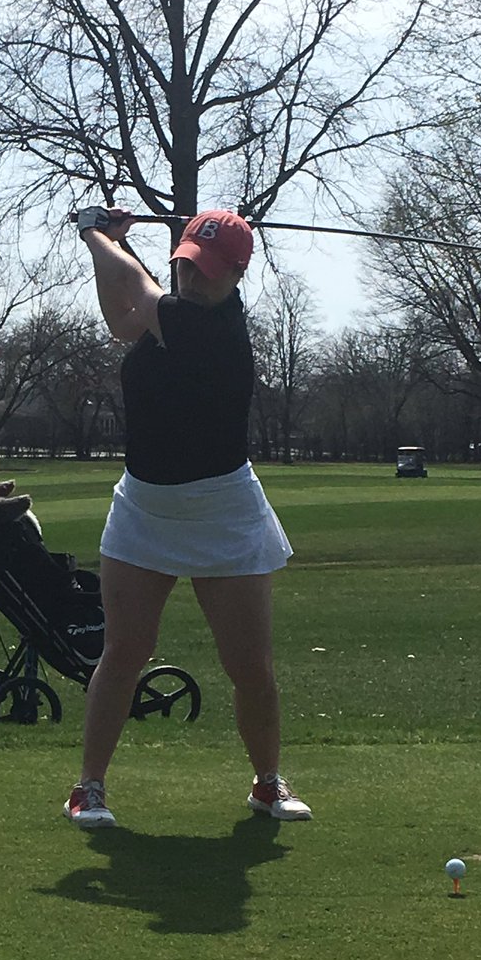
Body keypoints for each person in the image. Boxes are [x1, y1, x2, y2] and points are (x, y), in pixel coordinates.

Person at [64, 206, 311, 830]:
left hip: (223, 510)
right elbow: (121, 318)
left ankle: (267, 783)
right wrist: (109, 247)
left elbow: (132, 283)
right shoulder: (169, 316)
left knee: (249, 665)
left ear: (237, 274)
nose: (193, 279)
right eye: (185, 266)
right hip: (145, 506)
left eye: (207, 271)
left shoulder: (211, 328)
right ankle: (88, 787)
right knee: (125, 650)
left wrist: (95, 235)